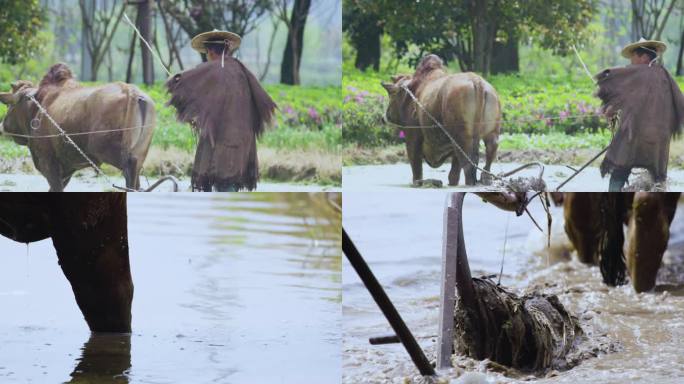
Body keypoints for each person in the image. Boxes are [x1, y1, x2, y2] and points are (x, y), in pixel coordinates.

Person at [166, 30, 276, 191]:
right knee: (230, 187)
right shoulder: (241, 70)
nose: (207, 57)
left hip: (223, 143)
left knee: (223, 185)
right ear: (227, 49)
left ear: (210, 52)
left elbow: (177, 83)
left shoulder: (213, 70)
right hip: (244, 143)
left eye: (207, 53)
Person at [596, 38, 684, 191]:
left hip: (636, 134)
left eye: (633, 57)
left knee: (619, 170)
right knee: (656, 177)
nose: (631, 61)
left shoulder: (637, 73)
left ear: (643, 57)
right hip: (660, 140)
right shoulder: (665, 76)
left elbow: (612, 80)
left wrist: (609, 110)